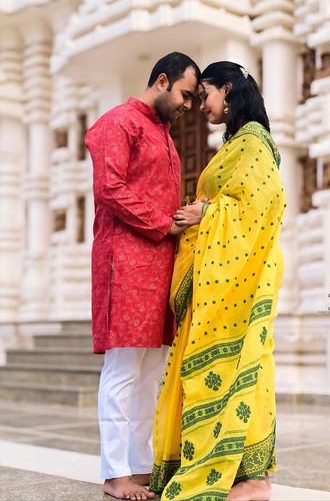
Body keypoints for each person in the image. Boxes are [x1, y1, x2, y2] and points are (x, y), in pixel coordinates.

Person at [150, 61, 287, 501]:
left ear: (227, 90)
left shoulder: (253, 144)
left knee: (245, 366)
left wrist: (207, 213)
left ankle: (251, 478)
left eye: (203, 95)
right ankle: (226, 471)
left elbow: (263, 203)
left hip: (242, 277)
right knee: (225, 369)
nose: (198, 106)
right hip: (218, 277)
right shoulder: (234, 144)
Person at [85, 52, 200, 501]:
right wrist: (162, 223)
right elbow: (109, 187)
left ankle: (137, 465)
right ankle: (115, 473)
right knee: (123, 369)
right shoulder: (119, 123)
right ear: (162, 80)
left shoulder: (164, 135)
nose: (188, 105)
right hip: (127, 261)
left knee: (151, 371)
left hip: (160, 266)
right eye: (185, 95)